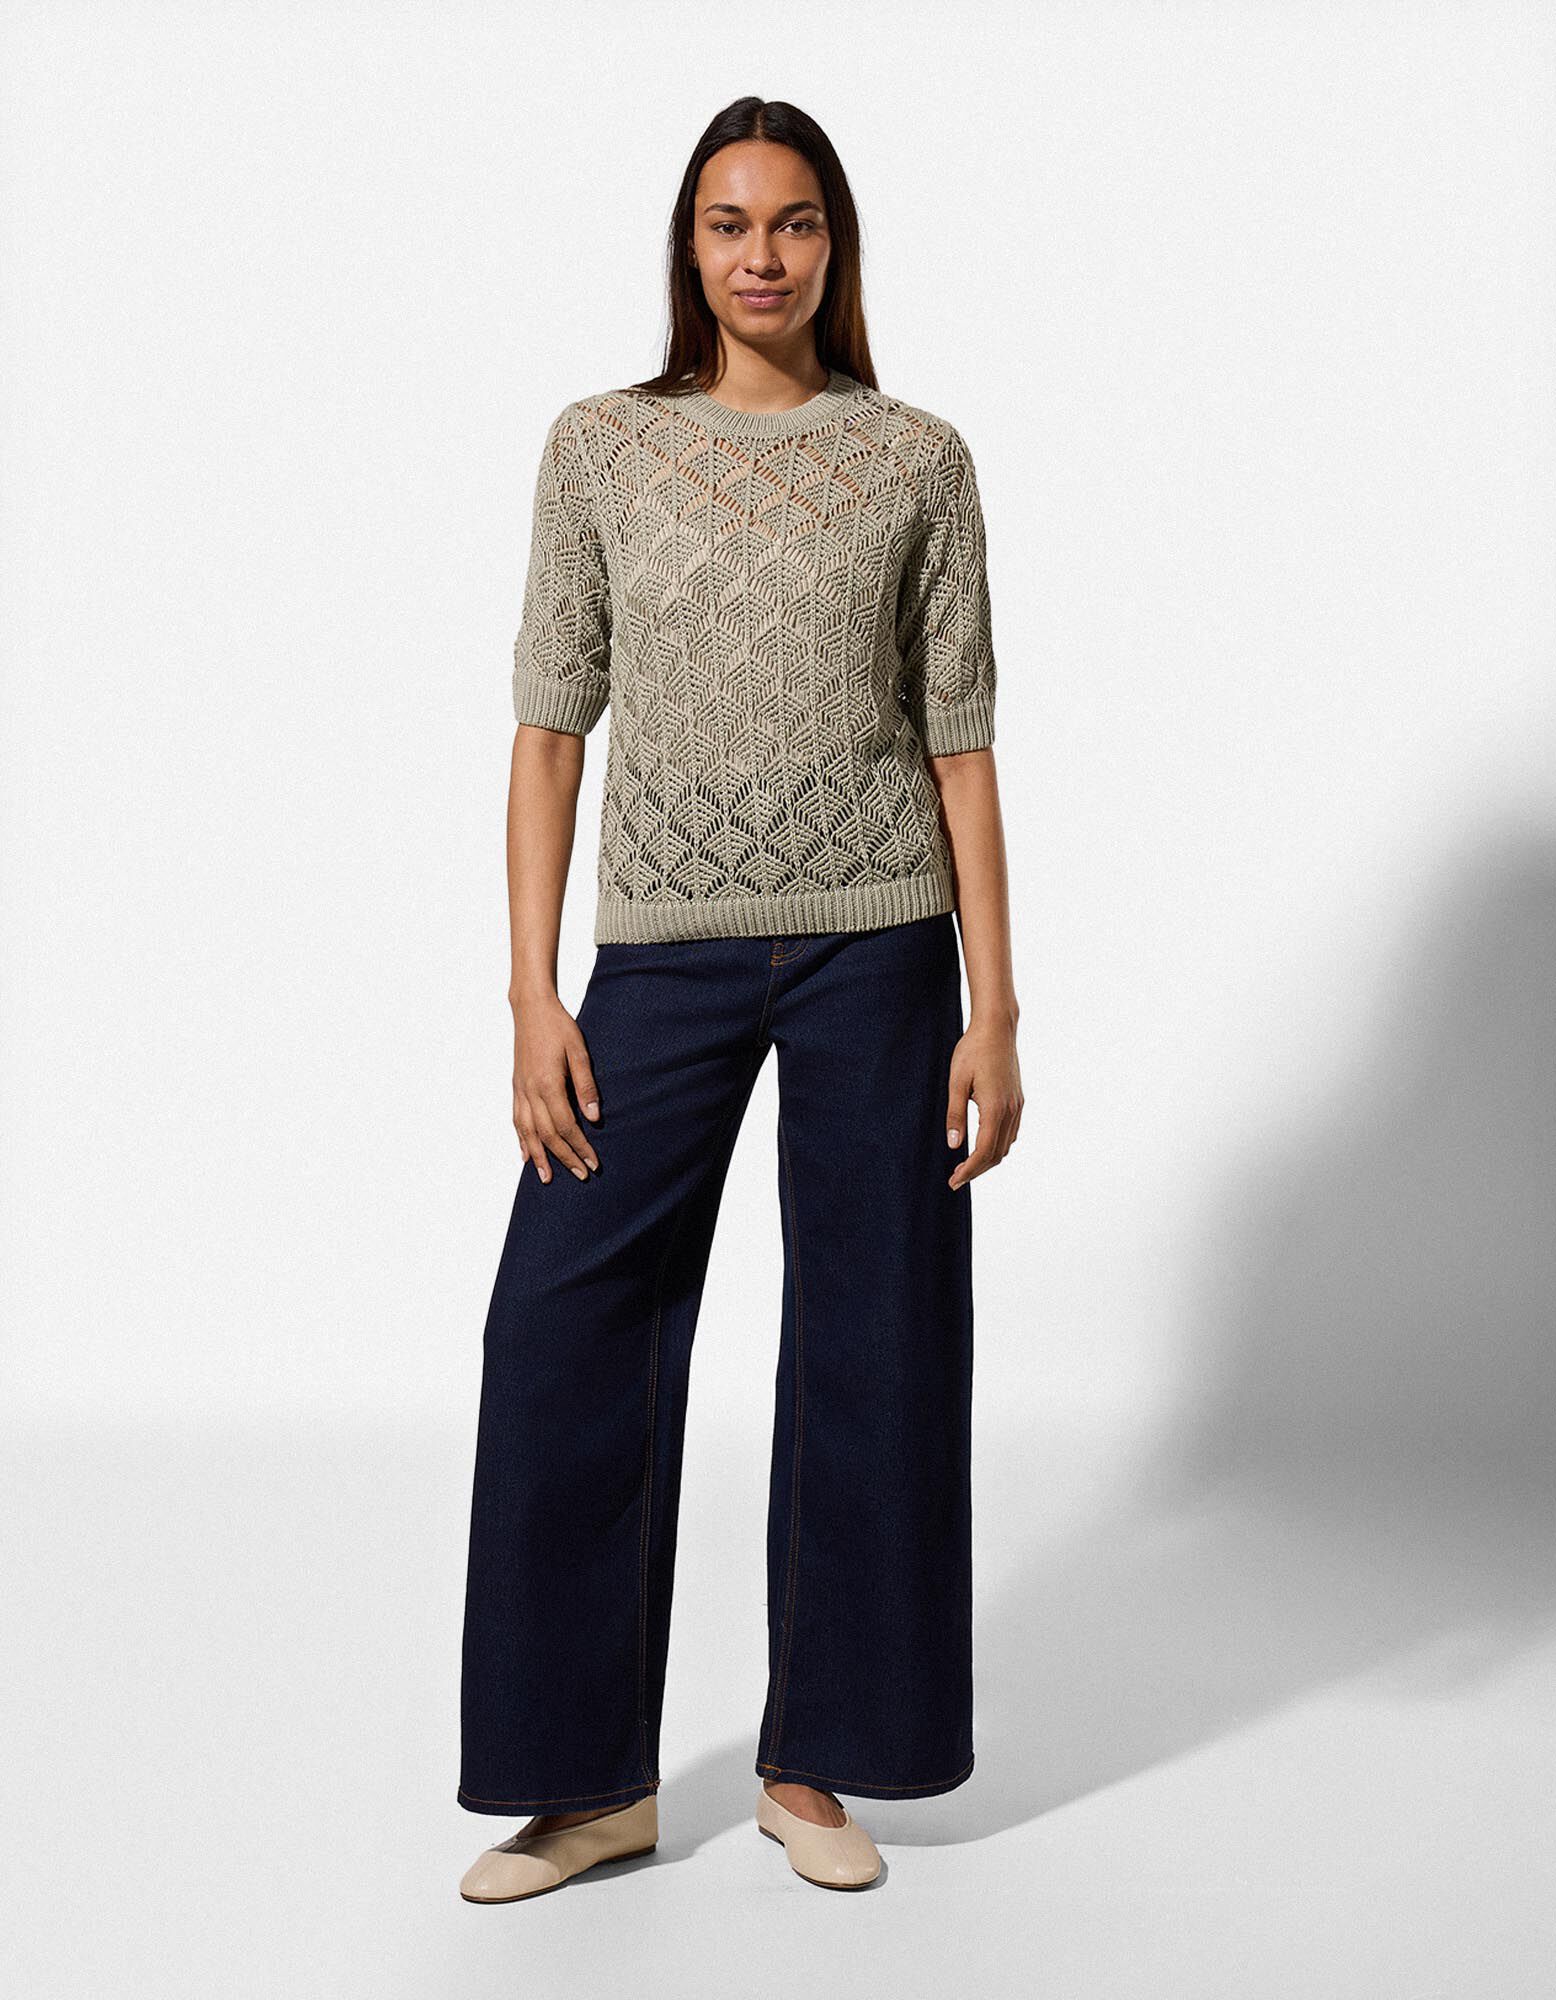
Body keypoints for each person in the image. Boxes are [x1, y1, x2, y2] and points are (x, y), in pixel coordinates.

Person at [457, 93, 1023, 1902]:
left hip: (883, 946)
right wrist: (533, 990)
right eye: (728, 224)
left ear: (834, 245)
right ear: (686, 247)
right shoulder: (601, 449)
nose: (761, 256)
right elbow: (551, 728)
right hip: (660, 952)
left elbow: (960, 745)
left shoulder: (917, 459)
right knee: (562, 1324)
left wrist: (996, 1008)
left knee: (876, 1333)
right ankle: (585, 1786)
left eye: (792, 223)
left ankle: (817, 1761)